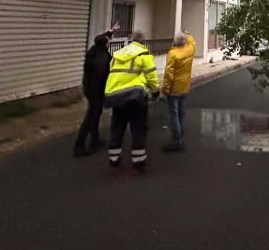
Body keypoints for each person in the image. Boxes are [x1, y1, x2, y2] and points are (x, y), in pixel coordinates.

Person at [104, 30, 159, 171]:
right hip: (135, 97)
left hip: (117, 96)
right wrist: (155, 91)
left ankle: (114, 157)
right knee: (138, 129)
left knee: (117, 127)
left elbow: (112, 72)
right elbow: (151, 76)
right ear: (143, 41)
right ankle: (138, 160)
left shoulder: (118, 54)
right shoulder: (144, 54)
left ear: (131, 39)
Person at [73, 30, 113, 157]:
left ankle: (95, 140)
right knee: (91, 116)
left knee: (96, 114)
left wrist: (109, 32)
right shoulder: (102, 58)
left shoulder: (93, 51)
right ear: (105, 44)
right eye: (108, 42)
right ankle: (79, 145)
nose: (109, 43)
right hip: (97, 90)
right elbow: (103, 76)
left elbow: (99, 39)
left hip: (89, 89)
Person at [162, 31, 196, 152]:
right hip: (184, 87)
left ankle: (176, 140)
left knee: (174, 115)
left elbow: (168, 74)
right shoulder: (190, 50)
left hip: (174, 89)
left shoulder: (173, 54)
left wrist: (165, 88)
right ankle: (180, 136)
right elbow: (192, 42)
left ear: (175, 41)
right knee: (180, 113)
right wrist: (187, 34)